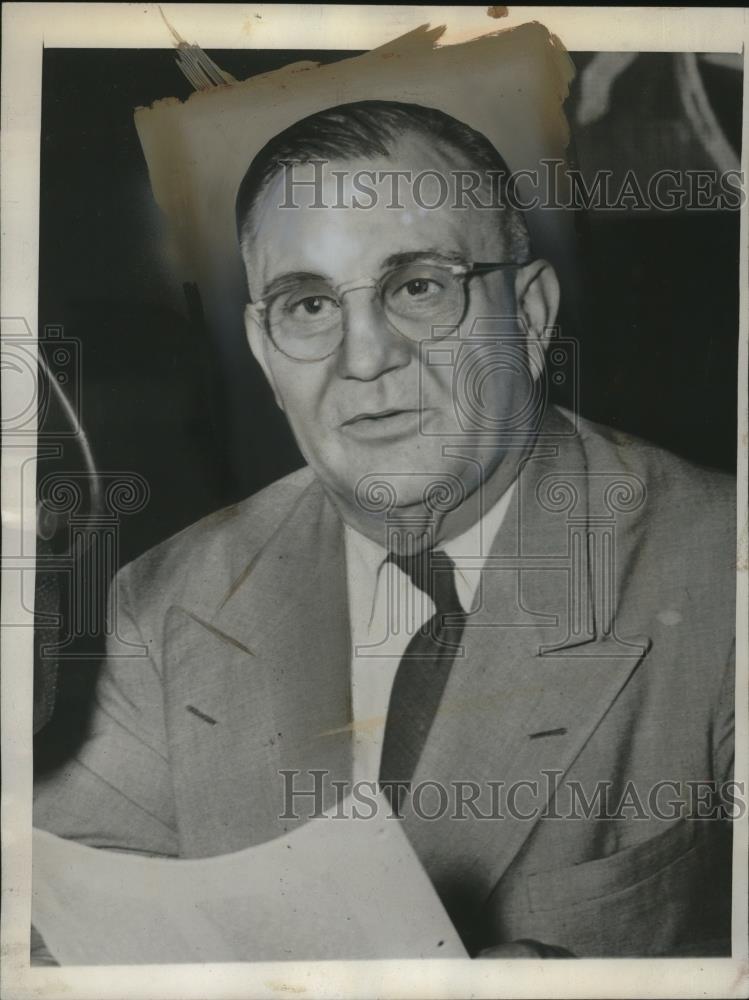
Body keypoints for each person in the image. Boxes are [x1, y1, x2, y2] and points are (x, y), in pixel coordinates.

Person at [34, 101, 736, 959]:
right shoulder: (162, 599)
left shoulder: (721, 572)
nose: (363, 357)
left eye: (417, 287)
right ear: (262, 348)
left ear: (529, 313)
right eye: (308, 306)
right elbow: (66, 926)